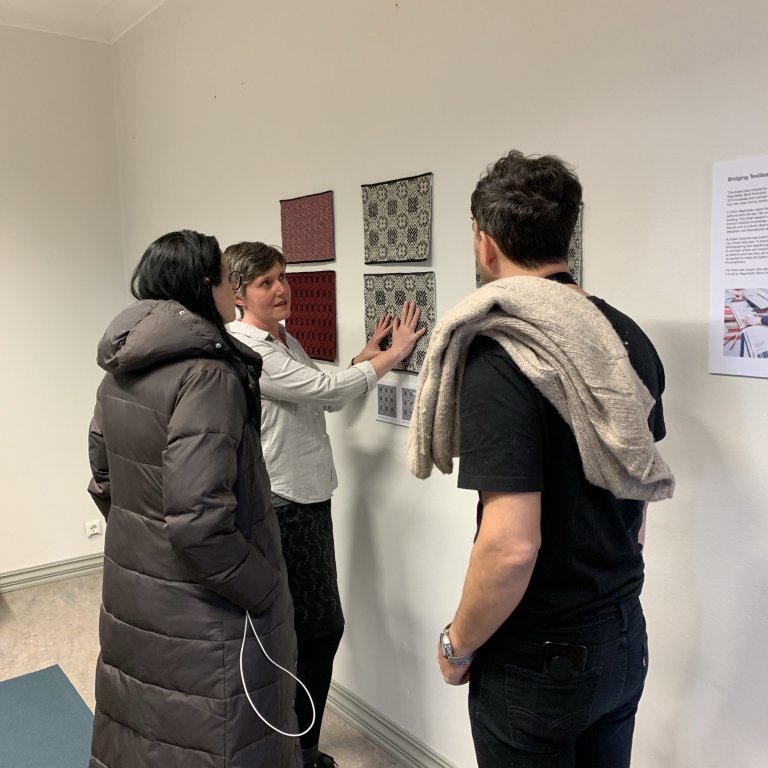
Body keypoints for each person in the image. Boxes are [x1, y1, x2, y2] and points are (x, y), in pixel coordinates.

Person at [407, 151, 674, 767]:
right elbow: (637, 487)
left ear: (485, 242)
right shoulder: (626, 336)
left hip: (539, 655)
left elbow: (510, 547)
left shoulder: (501, 353)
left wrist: (457, 644)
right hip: (622, 635)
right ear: (566, 236)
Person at [87, 230, 301, 768]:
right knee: (215, 735)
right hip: (206, 609)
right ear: (208, 285)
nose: (233, 291)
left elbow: (102, 476)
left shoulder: (122, 366)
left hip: (138, 589)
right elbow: (200, 523)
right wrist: (263, 587)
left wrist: (146, 542)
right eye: (229, 280)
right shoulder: (208, 373)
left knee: (148, 730)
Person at [224, 241, 426, 768]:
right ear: (240, 294)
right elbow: (324, 390)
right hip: (286, 503)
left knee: (301, 628)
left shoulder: (280, 339)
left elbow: (318, 386)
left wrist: (364, 356)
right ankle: (301, 750)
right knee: (318, 628)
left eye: (282, 277)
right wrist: (394, 354)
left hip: (307, 495)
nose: (282, 288)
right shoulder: (251, 350)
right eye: (266, 282)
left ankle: (289, 743)